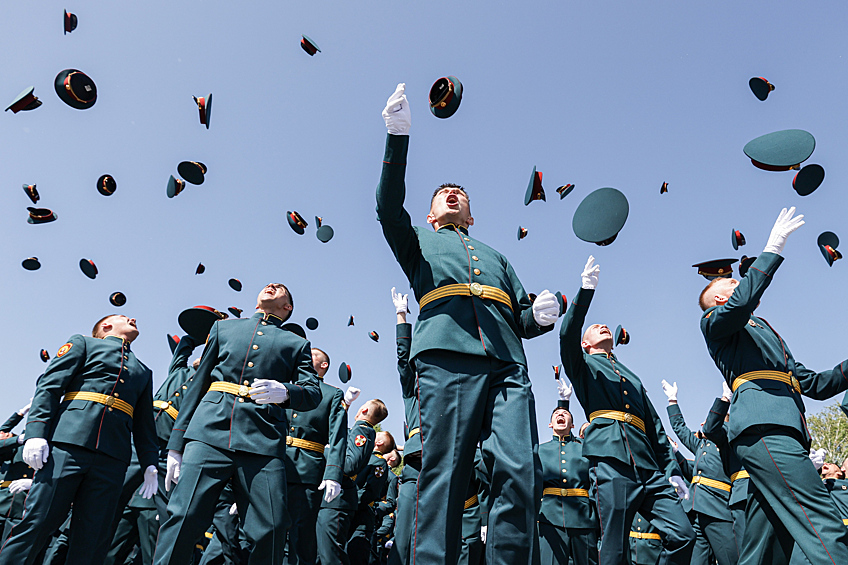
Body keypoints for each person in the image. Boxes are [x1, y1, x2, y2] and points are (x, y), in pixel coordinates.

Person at [377, 82, 559, 565]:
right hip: (446, 356)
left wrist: (539, 317)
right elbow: (387, 210)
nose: (451, 194)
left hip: (506, 364)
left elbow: (519, 315)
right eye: (442, 195)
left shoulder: (497, 256)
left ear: (472, 214)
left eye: (459, 193)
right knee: (444, 475)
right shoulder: (416, 241)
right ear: (432, 214)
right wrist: (397, 137)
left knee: (519, 470)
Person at [699, 207, 848, 564]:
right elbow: (741, 303)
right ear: (720, 300)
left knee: (767, 549)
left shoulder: (764, 331)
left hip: (781, 429)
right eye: (732, 283)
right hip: (766, 428)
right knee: (824, 523)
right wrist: (773, 249)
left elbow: (814, 383)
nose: (740, 281)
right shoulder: (715, 322)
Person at [153, 283, 322, 565]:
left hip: (263, 441)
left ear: (287, 307)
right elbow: (198, 384)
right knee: (183, 516)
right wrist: (176, 444)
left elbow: (312, 391)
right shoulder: (224, 329)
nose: (271, 286)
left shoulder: (297, 344)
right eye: (268, 285)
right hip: (209, 433)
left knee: (273, 525)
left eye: (280, 289)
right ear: (256, 303)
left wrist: (286, 392)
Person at [559, 255, 695, 564]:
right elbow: (566, 336)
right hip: (611, 462)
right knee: (614, 546)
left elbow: (656, 428)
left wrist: (671, 471)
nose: (603, 325)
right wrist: (585, 292)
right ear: (586, 344)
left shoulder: (630, 375)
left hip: (649, 468)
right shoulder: (582, 366)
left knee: (684, 535)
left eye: (604, 324)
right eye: (595, 327)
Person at [0, 314, 159, 565]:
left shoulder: (143, 371)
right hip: (68, 445)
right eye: (123, 317)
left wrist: (150, 462)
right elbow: (50, 387)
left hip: (113, 459)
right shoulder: (84, 344)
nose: (133, 318)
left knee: (93, 538)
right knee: (39, 521)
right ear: (106, 326)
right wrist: (36, 434)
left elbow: (144, 424)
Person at [284, 346, 350, 565]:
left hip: (306, 472)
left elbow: (338, 437)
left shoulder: (331, 394)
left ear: (324, 365)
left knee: (301, 541)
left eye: (311, 355)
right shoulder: (284, 388)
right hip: (276, 467)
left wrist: (333, 474)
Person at [662, 380, 737, 565]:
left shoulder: (726, 442)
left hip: (715, 507)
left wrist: (725, 398)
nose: (703, 423)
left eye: (709, 419)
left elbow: (712, 426)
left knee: (731, 560)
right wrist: (673, 401)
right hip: (694, 509)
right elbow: (680, 428)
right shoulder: (701, 445)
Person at [316, 399, 389, 565]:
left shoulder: (361, 431)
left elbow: (349, 465)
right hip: (335, 498)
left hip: (339, 498)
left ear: (364, 410)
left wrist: (325, 452)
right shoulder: (359, 430)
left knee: (332, 556)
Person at [537, 379, 598, 565]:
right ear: (549, 425)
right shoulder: (539, 450)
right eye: (556, 414)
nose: (561, 415)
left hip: (583, 518)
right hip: (549, 517)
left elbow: (596, 482)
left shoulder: (584, 449)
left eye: (565, 414)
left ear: (573, 426)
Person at [702, 381, 750, 549]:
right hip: (743, 493)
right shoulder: (729, 430)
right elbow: (710, 429)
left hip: (772, 489)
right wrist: (725, 399)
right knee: (746, 550)